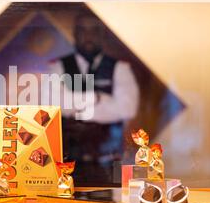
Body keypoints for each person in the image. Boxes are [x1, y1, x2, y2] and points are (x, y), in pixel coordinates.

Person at [45, 12, 140, 185]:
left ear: (102, 35)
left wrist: (74, 104)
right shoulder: (58, 67)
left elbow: (127, 108)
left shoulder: (119, 68)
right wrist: (98, 98)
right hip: (67, 161)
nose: (88, 36)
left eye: (94, 31)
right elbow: (53, 104)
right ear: (75, 34)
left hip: (110, 159)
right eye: (83, 30)